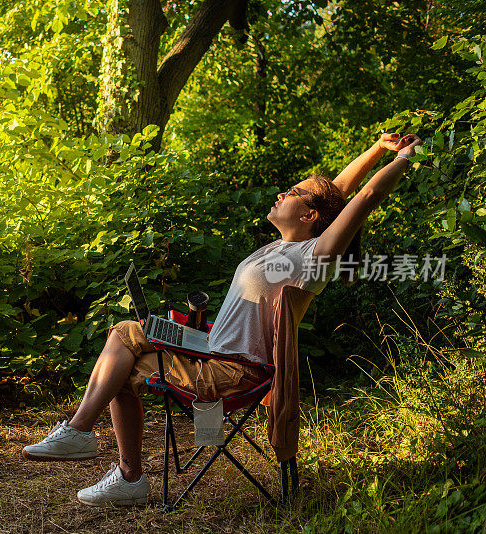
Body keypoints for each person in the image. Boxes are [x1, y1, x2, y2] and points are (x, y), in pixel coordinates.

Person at [22, 132, 423, 507]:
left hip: (235, 372)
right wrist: (375, 149)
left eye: (294, 194)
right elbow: (337, 193)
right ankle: (98, 450)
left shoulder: (312, 259)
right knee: (124, 339)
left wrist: (404, 159)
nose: (283, 193)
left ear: (310, 217)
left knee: (123, 355)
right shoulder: (284, 247)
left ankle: (108, 459)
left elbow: (364, 198)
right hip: (210, 351)